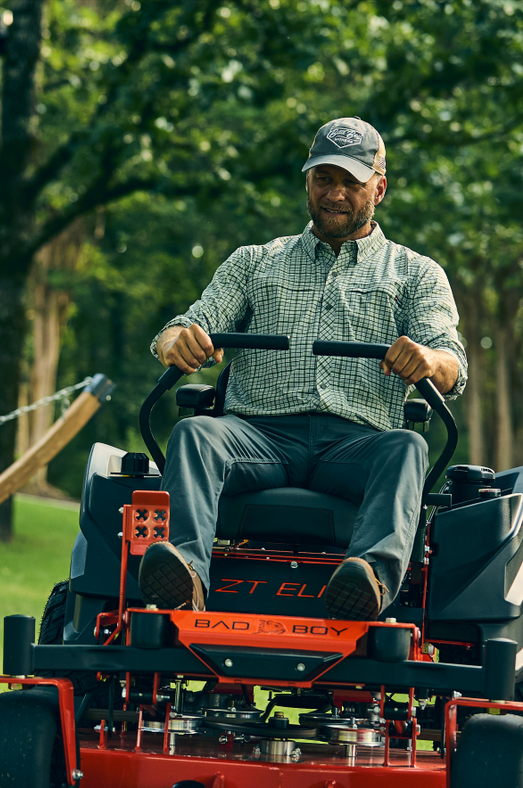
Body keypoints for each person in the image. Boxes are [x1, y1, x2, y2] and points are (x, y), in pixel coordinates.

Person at [137, 116, 468, 621]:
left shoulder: (415, 273)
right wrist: (173, 343)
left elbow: (451, 363)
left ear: (379, 188)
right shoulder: (254, 262)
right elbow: (186, 325)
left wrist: (428, 359)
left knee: (408, 446)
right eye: (323, 179)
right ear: (307, 181)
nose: (335, 194)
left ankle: (369, 582)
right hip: (256, 437)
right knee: (196, 434)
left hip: (356, 444)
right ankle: (184, 578)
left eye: (351, 183)